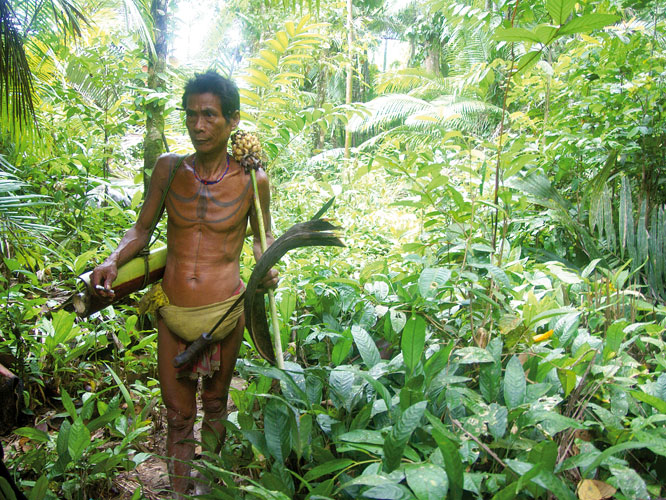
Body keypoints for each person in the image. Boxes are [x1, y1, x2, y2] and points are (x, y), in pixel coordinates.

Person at [91, 71, 277, 497]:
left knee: (214, 407)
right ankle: (178, 492)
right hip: (173, 309)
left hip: (226, 312)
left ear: (232, 121)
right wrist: (111, 260)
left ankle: (208, 488)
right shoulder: (169, 170)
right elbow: (141, 229)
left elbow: (259, 241)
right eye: (191, 114)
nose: (198, 125)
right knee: (178, 415)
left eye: (209, 115)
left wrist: (266, 269)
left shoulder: (253, 181)